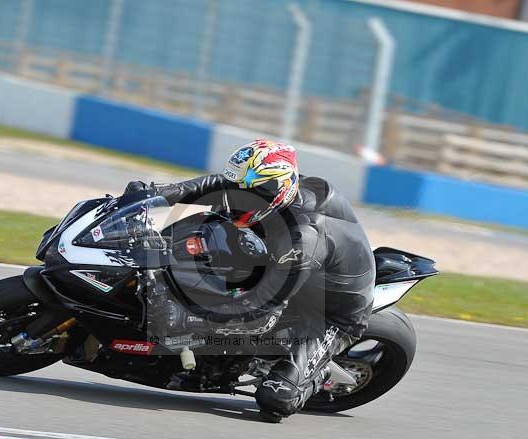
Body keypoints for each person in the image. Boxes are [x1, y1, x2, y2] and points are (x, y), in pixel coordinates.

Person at [125, 139, 375, 422]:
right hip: (296, 272)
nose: (244, 195)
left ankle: (319, 373)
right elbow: (214, 184)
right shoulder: (267, 185)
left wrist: (187, 319)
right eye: (242, 185)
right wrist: (154, 194)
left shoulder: (303, 239)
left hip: (328, 312)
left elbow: (261, 311)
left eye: (258, 190)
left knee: (275, 400)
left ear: (281, 187)